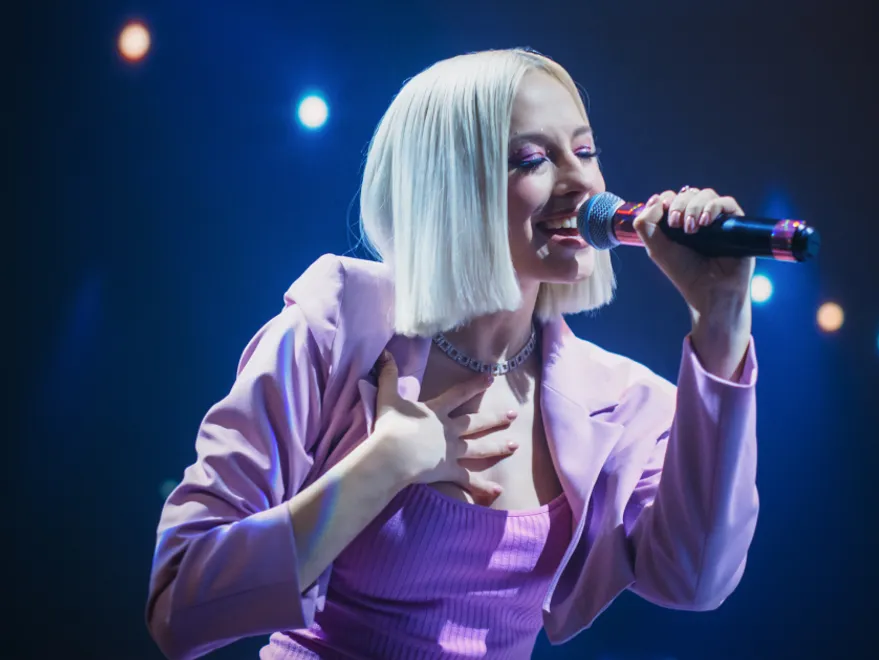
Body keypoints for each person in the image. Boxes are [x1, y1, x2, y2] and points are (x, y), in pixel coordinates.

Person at [146, 48, 760, 660]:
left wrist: (721, 318)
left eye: (586, 151)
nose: (582, 182)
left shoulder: (620, 401)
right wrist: (383, 464)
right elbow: (180, 608)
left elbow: (696, 581)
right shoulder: (336, 326)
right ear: (451, 186)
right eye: (534, 159)